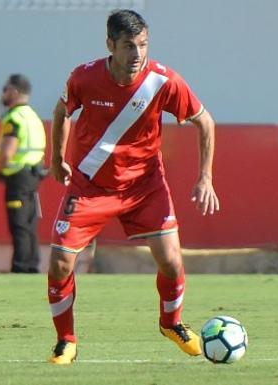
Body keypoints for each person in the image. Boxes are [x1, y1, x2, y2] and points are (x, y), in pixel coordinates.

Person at [46, 9, 219, 364]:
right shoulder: (84, 77)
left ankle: (171, 323)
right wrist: (56, 158)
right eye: (128, 45)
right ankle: (66, 341)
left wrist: (206, 177)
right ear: (110, 45)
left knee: (171, 261)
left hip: (144, 186)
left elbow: (205, 122)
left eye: (143, 45)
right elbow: (62, 111)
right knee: (60, 262)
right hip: (90, 185)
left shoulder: (164, 80)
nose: (137, 53)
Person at [0, 74, 47, 273]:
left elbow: (7, 151)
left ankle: (21, 268)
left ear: (14, 91)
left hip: (17, 176)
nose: (3, 93)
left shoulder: (14, 118)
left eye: (5, 89)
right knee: (30, 224)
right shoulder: (32, 117)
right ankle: (32, 265)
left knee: (19, 225)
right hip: (33, 175)